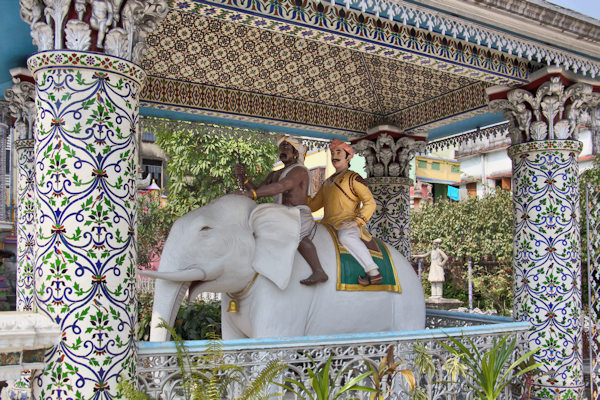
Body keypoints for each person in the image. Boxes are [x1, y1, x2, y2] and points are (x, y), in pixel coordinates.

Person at [234, 135, 328, 285]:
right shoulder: (274, 173)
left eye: (287, 147)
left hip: (298, 213)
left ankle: (318, 271)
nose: (282, 150)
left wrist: (251, 194)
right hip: (280, 214)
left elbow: (282, 186)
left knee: (296, 236)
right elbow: (258, 191)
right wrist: (243, 178)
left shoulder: (299, 171)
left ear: (296, 152)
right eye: (281, 147)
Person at [308, 139, 381, 286]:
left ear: (348, 157)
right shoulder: (327, 182)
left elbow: (370, 202)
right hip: (327, 225)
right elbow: (314, 205)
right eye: (333, 153)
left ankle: (373, 271)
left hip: (347, 224)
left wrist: (357, 222)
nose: (334, 156)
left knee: (346, 237)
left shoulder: (353, 178)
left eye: (338, 152)